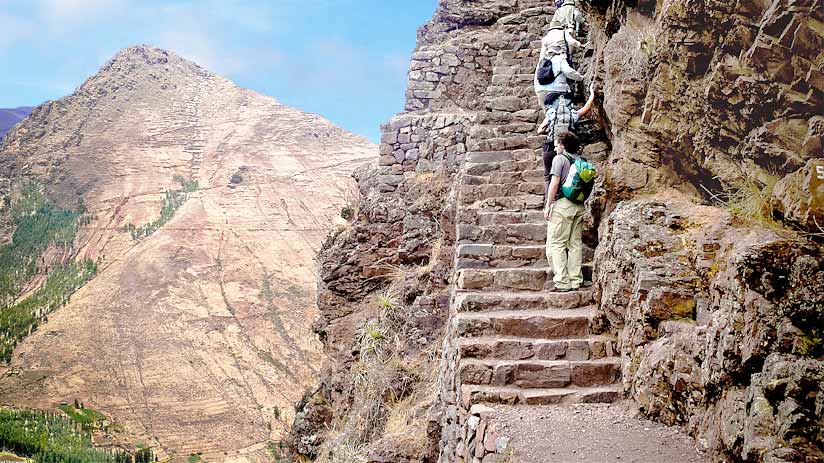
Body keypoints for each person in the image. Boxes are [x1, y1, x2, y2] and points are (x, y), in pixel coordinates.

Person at [543, 130, 586, 292]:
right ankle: (576, 280)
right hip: (579, 205)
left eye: (556, 145)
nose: (555, 149)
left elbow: (554, 184)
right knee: (575, 244)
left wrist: (548, 205)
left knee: (556, 243)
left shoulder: (560, 159)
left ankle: (562, 282)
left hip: (563, 204)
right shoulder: (581, 160)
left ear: (563, 145)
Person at [538, 83, 596, 200]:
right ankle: (564, 199)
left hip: (549, 148)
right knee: (566, 175)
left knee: (548, 177)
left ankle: (548, 203)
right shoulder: (571, 114)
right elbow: (586, 108)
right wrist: (592, 94)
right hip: (568, 149)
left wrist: (550, 132)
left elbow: (540, 130)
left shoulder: (550, 114)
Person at [534, 21, 582, 111]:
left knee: (550, 118)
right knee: (562, 116)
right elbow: (569, 72)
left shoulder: (541, 63)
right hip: (557, 91)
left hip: (540, 91)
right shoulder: (559, 58)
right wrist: (581, 78)